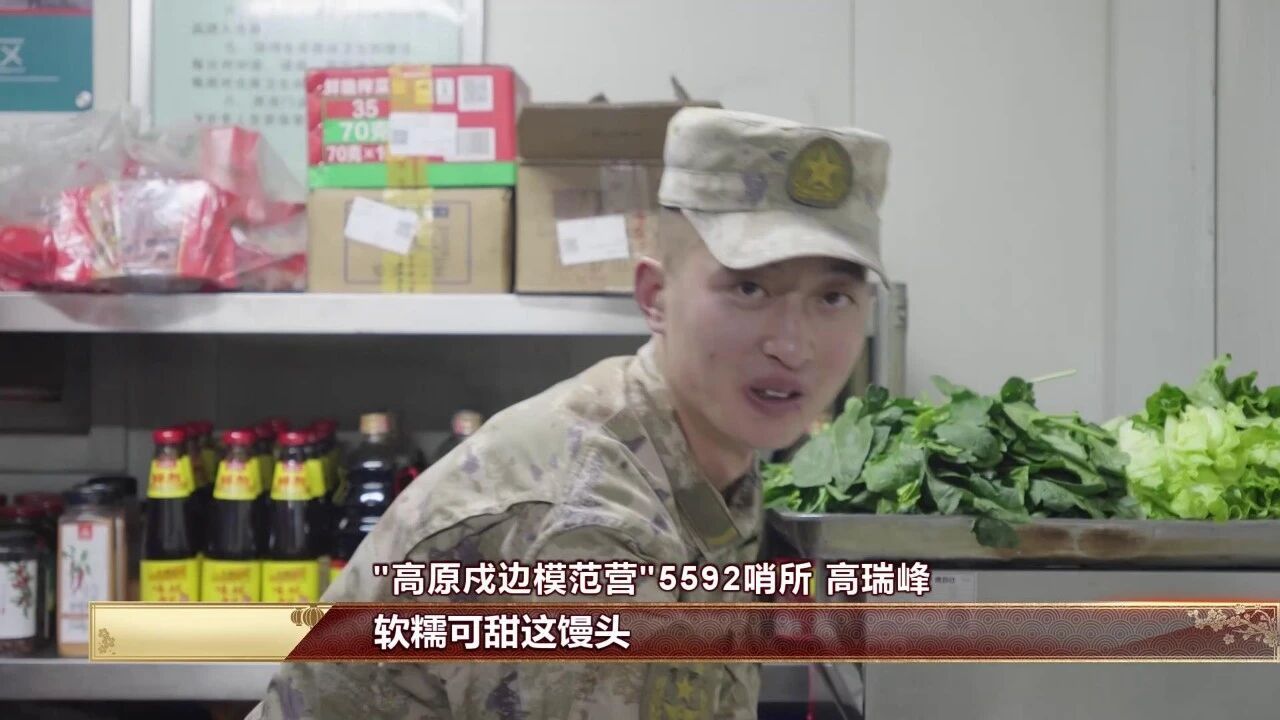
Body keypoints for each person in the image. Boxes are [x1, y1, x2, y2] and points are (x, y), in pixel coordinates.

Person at [246, 106, 891, 719]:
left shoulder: (705, 459)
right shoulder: (588, 536)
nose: (792, 345)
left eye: (833, 298)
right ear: (655, 296)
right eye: (749, 288)